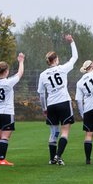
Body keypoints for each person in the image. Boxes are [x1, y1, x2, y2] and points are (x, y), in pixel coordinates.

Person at [36, 34, 78, 165]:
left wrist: (44, 108)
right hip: (64, 103)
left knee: (54, 132)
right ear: (56, 59)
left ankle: (51, 158)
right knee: (65, 132)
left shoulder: (43, 75)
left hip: (52, 105)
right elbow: (75, 57)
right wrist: (72, 42)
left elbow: (41, 94)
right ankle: (58, 156)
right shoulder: (62, 69)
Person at [0, 53, 25, 165]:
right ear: (6, 71)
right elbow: (20, 73)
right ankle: (2, 159)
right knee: (5, 137)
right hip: (7, 112)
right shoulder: (8, 82)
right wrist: (21, 61)